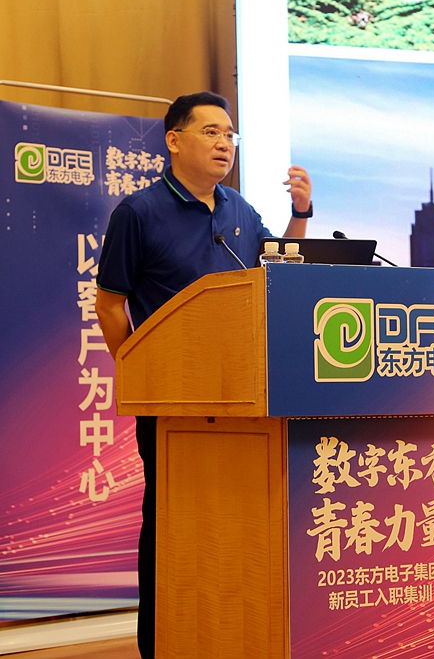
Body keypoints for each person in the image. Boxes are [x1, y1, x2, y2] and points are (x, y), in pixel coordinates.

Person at [95, 91, 312, 659]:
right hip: (173, 401)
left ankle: (228, 636)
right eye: (211, 132)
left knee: (236, 521)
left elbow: (278, 271)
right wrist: (139, 370)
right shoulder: (138, 213)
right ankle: (161, 643)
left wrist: (300, 215)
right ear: (174, 140)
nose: (225, 144)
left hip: (243, 396)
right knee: (172, 521)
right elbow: (110, 303)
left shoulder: (239, 210)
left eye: (230, 134)